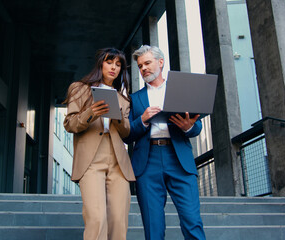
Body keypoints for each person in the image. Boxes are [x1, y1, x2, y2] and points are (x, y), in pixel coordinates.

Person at [123, 45, 206, 240]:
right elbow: (126, 135)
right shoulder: (134, 99)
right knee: (153, 227)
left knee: (192, 220)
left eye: (148, 63)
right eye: (140, 65)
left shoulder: (181, 91)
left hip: (179, 161)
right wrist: (141, 120)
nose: (144, 68)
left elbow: (197, 126)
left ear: (161, 62)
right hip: (147, 162)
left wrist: (187, 126)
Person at [63, 48, 135, 240]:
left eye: (118, 65)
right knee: (96, 218)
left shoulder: (123, 99)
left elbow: (126, 132)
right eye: (109, 62)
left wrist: (118, 117)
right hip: (91, 160)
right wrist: (91, 112)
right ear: (100, 64)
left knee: (119, 221)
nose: (114, 68)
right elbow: (70, 124)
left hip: (118, 161)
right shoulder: (79, 88)